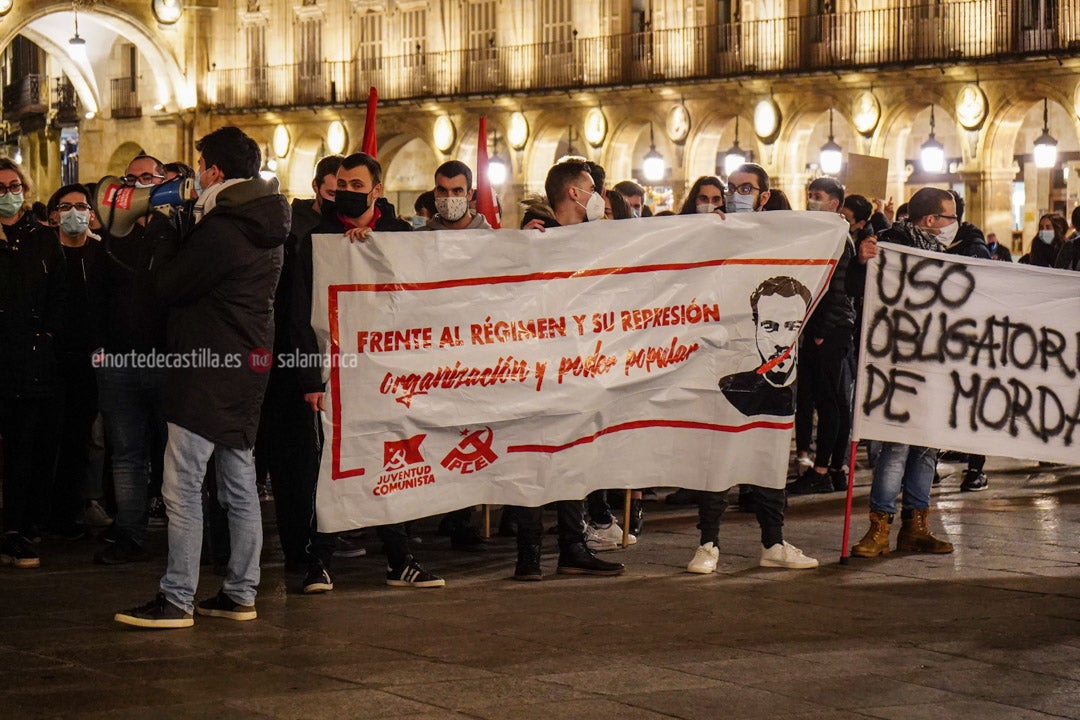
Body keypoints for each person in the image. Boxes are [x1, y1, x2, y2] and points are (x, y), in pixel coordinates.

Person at [115, 126, 289, 628]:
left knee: (182, 487)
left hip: (206, 370)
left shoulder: (224, 228)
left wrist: (168, 231)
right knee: (239, 486)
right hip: (244, 368)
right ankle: (240, 592)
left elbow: (169, 286)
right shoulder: (263, 221)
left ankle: (176, 599)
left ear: (213, 171)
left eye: (199, 168)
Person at [289, 151, 441, 596]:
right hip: (337, 372)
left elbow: (420, 297)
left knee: (395, 460)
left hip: (391, 373)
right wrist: (308, 380)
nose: (348, 194)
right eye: (342, 186)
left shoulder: (398, 236)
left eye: (358, 186)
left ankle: (399, 559)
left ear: (377, 190)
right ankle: (318, 561)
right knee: (334, 466)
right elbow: (299, 314)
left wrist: (374, 252)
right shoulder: (316, 239)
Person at [688, 162, 818, 575]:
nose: (736, 194)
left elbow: (829, 257)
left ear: (764, 196)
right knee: (719, 454)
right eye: (732, 187)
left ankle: (773, 541)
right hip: (726, 365)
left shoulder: (785, 237)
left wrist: (859, 246)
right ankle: (707, 543)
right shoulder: (714, 232)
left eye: (746, 188)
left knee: (772, 456)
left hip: (781, 372)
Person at [515, 158, 626, 580]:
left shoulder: (593, 239)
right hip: (536, 367)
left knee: (573, 457)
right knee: (531, 458)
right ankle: (528, 555)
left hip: (580, 364)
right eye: (592, 188)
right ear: (574, 193)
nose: (599, 196)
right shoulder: (534, 238)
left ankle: (571, 546)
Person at [848, 187, 957, 558]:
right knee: (895, 446)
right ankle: (879, 527)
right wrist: (862, 262)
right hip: (895, 362)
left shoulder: (946, 255)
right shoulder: (886, 244)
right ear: (931, 220)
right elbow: (853, 291)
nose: (953, 225)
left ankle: (916, 526)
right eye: (950, 218)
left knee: (926, 446)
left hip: (933, 362)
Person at [258, 154, 344, 573]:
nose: (339, 199)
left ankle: (319, 538)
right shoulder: (297, 237)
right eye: (333, 191)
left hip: (328, 366)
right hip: (291, 369)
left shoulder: (366, 232)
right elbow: (297, 314)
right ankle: (301, 547)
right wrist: (308, 374)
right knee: (293, 462)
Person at [93, 154, 172, 565]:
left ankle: (184, 535)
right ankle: (130, 535)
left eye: (148, 178)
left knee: (174, 454)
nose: (139, 185)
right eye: (132, 179)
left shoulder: (174, 231)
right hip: (119, 361)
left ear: (162, 182)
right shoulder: (113, 236)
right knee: (126, 455)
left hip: (167, 360)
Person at [0, 158, 66, 569]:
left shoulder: (41, 239)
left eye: (13, 186)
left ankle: (16, 529)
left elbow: (58, 298)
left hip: (29, 362)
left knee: (24, 447)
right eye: (0, 188)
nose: (8, 194)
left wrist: (46, 337)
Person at [47, 184, 110, 538]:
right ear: (54, 214)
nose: (74, 213)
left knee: (81, 438)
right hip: (52, 360)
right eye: (66, 206)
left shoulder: (102, 255)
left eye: (81, 206)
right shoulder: (46, 254)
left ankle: (69, 511)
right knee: (49, 437)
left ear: (92, 214)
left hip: (92, 360)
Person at [789, 177, 855, 495]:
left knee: (829, 401)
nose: (811, 200)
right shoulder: (827, 233)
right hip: (829, 329)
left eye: (817, 196)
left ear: (834, 204)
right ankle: (833, 468)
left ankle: (823, 469)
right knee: (833, 400)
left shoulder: (837, 236)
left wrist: (820, 332)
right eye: (809, 195)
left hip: (829, 330)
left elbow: (834, 288)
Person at [944, 191, 992, 492]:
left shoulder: (974, 249)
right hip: (947, 336)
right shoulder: (939, 245)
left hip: (972, 339)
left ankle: (976, 468)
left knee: (974, 401)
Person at [420, 160, 493, 232]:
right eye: (443, 190)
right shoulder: (420, 237)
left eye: (457, 191)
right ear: (435, 192)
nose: (449, 197)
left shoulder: (491, 238)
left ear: (469, 194)